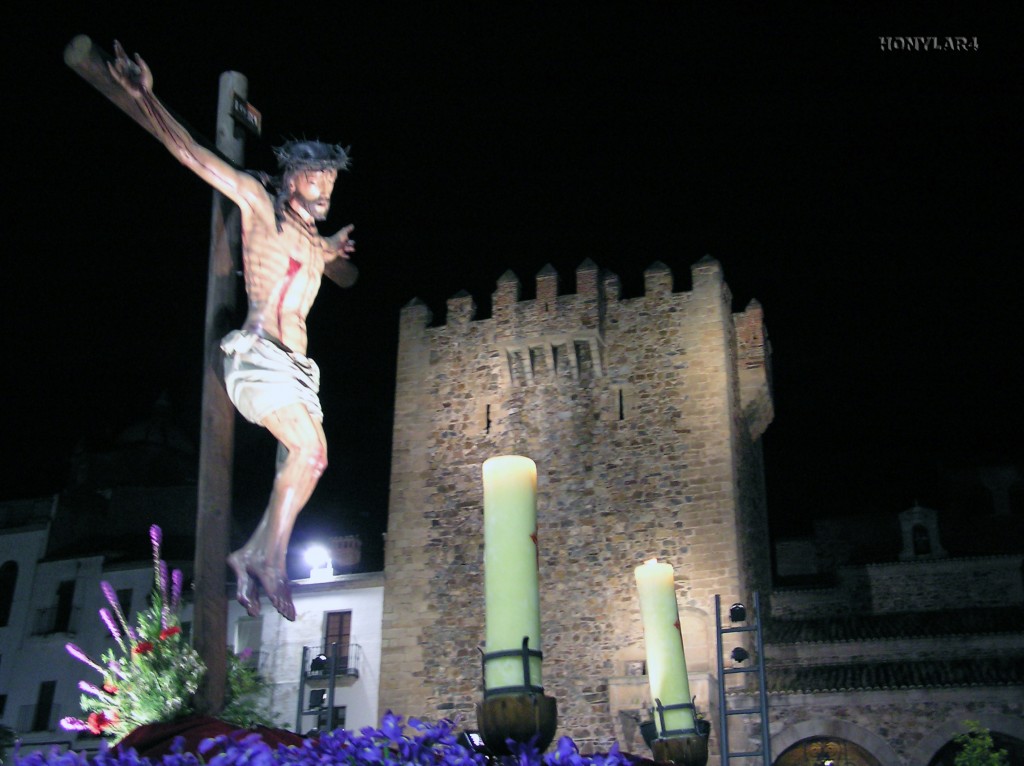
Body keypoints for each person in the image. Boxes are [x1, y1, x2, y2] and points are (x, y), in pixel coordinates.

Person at [109, 41, 357, 621]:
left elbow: (321, 251)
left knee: (307, 461)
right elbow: (192, 154)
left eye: (330, 184)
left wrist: (333, 246)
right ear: (292, 179)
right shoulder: (259, 204)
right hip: (258, 356)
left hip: (297, 371)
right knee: (311, 453)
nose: (324, 192)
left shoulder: (313, 242)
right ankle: (267, 559)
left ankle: (254, 555)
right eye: (315, 181)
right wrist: (144, 97)